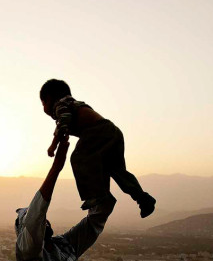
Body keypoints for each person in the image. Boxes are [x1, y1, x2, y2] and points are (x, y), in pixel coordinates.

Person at [40, 78, 157, 218]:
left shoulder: (61, 105)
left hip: (97, 131)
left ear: (49, 98)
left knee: (79, 158)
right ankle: (143, 199)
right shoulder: (71, 104)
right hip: (112, 132)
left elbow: (63, 124)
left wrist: (53, 146)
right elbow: (65, 126)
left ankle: (96, 195)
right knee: (117, 171)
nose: (43, 108)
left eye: (43, 103)